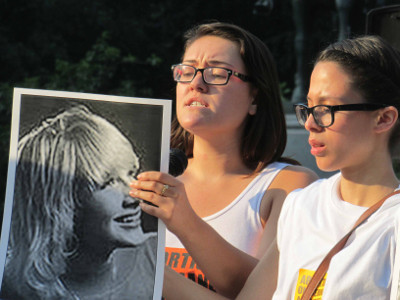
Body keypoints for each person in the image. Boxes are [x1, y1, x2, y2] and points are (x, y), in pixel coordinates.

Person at [132, 34, 400, 299]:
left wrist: (151, 261)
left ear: (384, 119)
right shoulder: (302, 205)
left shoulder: (291, 191)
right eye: (308, 107)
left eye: (327, 108)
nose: (310, 123)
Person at [129, 21, 317, 297]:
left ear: (255, 97)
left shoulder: (288, 185)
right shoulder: (146, 174)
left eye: (217, 73)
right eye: (186, 71)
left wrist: (179, 231)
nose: (196, 84)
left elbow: (266, 293)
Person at [1, 105, 157, 300]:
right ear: (60, 205)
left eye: (131, 173)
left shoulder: (157, 257)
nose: (134, 195)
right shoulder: (12, 288)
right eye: (108, 183)